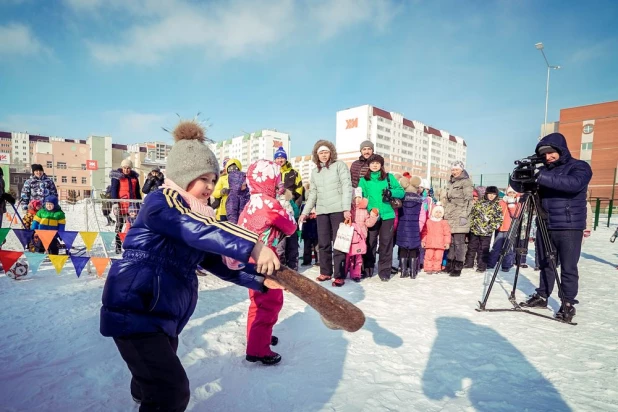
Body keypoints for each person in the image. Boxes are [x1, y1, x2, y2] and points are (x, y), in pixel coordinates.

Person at [100, 119, 282, 411]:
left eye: (213, 180)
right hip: (134, 308)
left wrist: (258, 280)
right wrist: (254, 245)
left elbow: (215, 261)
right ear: (184, 176)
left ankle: (144, 393)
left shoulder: (196, 212)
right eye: (203, 179)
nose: (210, 187)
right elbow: (196, 229)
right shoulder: (161, 204)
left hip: (161, 313)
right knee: (171, 392)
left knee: (154, 378)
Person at [512, 132, 593, 322]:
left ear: (560, 150)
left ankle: (567, 303)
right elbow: (520, 188)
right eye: (544, 154)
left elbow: (573, 184)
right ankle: (542, 295)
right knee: (545, 263)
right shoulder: (543, 171)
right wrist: (519, 175)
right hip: (545, 222)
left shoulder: (579, 166)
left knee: (568, 266)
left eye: (551, 153)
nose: (548, 157)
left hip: (569, 225)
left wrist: (541, 176)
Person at [229, 160, 298, 365]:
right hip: (266, 261)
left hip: (250, 259)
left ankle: (258, 336)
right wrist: (285, 205)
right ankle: (259, 349)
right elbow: (290, 228)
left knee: (257, 302)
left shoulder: (251, 202)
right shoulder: (271, 204)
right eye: (277, 180)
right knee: (270, 303)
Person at [299, 140, 352, 286]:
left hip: (338, 210)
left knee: (339, 243)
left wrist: (346, 208)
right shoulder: (315, 171)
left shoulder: (339, 166)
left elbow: (347, 186)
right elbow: (313, 194)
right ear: (317, 154)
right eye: (321, 152)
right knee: (323, 243)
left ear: (331, 153)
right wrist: (305, 212)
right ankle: (326, 272)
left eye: (326, 152)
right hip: (322, 211)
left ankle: (339, 274)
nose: (323, 155)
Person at [358, 154, 405, 282]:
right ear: (369, 165)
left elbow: (401, 192)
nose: (375, 165)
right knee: (370, 242)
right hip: (372, 215)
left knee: (386, 243)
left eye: (377, 163)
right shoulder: (364, 180)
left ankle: (384, 271)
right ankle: (367, 268)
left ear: (381, 165)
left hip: (388, 214)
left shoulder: (389, 177)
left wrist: (391, 192)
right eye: (372, 163)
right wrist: (369, 210)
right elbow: (361, 198)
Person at [441, 161, 474, 277]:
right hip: (450, 214)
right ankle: (449, 264)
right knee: (451, 242)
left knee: (459, 243)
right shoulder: (450, 182)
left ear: (461, 170)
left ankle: (458, 266)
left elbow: (469, 200)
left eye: (456, 170)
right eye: (453, 170)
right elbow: (447, 199)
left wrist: (464, 215)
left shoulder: (466, 182)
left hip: (460, 214)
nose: (454, 172)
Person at [274, 147, 303, 271]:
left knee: (292, 238)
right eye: (278, 157)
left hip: (291, 208)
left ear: (286, 159)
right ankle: (281, 263)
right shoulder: (273, 172)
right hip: (277, 209)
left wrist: (295, 206)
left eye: (282, 157)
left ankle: (293, 264)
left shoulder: (294, 172)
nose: (280, 160)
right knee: (279, 238)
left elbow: (300, 191)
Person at [465, 186, 503, 272]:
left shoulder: (496, 206)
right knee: (472, 247)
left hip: (486, 232)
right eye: (490, 193)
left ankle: (482, 266)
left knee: (483, 249)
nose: (491, 196)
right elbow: (472, 214)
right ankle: (469, 263)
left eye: (494, 194)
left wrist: (490, 227)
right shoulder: (479, 203)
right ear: (486, 194)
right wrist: (472, 225)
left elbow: (499, 219)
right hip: (475, 230)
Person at [345, 187, 378, 282]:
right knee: (346, 256)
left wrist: (373, 216)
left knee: (357, 258)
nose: (357, 200)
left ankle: (356, 274)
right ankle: (343, 272)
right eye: (355, 198)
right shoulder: (349, 209)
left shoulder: (364, 210)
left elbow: (368, 223)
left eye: (359, 197)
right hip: (349, 237)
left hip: (360, 239)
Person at [110, 159, 141, 254]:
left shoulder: (134, 178)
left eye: (128, 168)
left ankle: (130, 244)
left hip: (132, 206)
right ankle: (118, 245)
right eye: (124, 168)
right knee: (119, 225)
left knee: (132, 226)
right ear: (121, 167)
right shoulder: (117, 177)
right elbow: (114, 190)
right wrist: (115, 204)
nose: (126, 170)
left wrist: (139, 203)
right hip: (121, 205)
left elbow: (137, 191)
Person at [396, 175, 423, 278]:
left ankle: (403, 271)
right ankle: (412, 272)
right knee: (413, 249)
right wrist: (419, 227)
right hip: (414, 228)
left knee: (402, 248)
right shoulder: (420, 200)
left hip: (402, 228)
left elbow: (397, 215)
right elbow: (422, 215)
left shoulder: (401, 200)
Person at [488, 186, 519, 272]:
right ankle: (491, 263)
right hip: (500, 228)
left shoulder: (517, 203)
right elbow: (497, 212)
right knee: (496, 246)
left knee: (508, 247)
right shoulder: (501, 202)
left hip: (510, 228)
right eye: (510, 192)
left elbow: (515, 215)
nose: (511, 194)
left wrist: (511, 204)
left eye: (513, 193)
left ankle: (506, 265)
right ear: (507, 193)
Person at [421, 204, 451, 275]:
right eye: (436, 212)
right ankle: (428, 268)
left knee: (438, 257)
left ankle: (436, 268)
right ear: (433, 212)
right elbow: (424, 232)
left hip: (440, 244)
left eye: (440, 212)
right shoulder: (428, 222)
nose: (438, 214)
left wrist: (447, 242)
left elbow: (447, 233)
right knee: (429, 256)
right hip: (430, 243)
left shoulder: (444, 222)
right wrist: (423, 240)